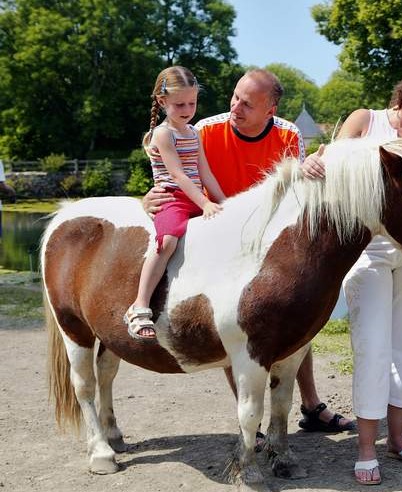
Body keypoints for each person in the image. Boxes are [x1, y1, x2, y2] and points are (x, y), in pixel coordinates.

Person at [142, 69, 355, 434]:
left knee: (297, 316)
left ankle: (311, 405)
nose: (236, 107)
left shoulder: (288, 134)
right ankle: (250, 417)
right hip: (218, 231)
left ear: (270, 110)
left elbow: (301, 188)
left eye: (247, 103)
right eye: (235, 97)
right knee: (232, 320)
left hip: (272, 237)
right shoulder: (203, 129)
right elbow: (169, 173)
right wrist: (150, 198)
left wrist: (316, 168)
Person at [301, 54, 402, 485]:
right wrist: (312, 164)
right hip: (365, 252)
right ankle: (366, 448)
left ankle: (399, 439)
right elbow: (328, 167)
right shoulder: (365, 121)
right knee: (372, 347)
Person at [125, 66, 226, 342]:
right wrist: (204, 203)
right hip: (173, 198)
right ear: (162, 102)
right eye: (179, 104)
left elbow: (204, 171)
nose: (187, 109)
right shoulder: (163, 134)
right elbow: (179, 174)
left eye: (192, 103)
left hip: (195, 195)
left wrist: (224, 201)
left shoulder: (195, 132)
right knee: (167, 241)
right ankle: (140, 304)